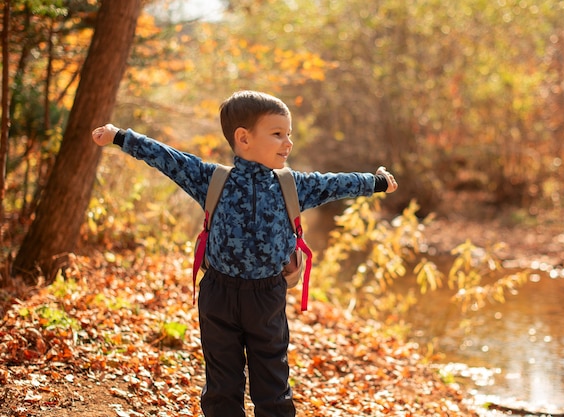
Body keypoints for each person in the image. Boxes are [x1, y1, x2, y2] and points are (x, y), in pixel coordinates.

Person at [92, 90, 398, 417]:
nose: (288, 143)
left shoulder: (291, 185)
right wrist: (121, 137)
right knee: (222, 386)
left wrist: (376, 183)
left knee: (273, 386)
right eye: (278, 134)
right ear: (243, 138)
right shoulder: (212, 179)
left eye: (289, 135)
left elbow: (334, 184)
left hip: (266, 298)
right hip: (218, 294)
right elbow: (169, 158)